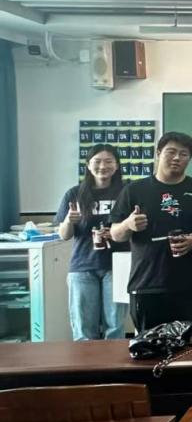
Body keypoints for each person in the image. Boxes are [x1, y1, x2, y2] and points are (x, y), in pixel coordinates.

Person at [110, 132, 192, 336]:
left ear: (190, 158)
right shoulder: (134, 190)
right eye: (171, 152)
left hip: (189, 285)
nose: (177, 158)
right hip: (147, 284)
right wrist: (128, 224)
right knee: (149, 347)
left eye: (183, 154)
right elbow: (115, 234)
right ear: (158, 153)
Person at [56, 144, 125, 340]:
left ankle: (115, 360)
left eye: (109, 161)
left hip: (117, 265)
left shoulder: (126, 192)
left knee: (115, 326)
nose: (103, 166)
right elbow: (64, 235)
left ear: (117, 165)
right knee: (83, 328)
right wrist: (69, 220)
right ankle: (86, 361)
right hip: (83, 266)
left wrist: (118, 230)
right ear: (87, 165)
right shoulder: (74, 194)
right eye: (97, 161)